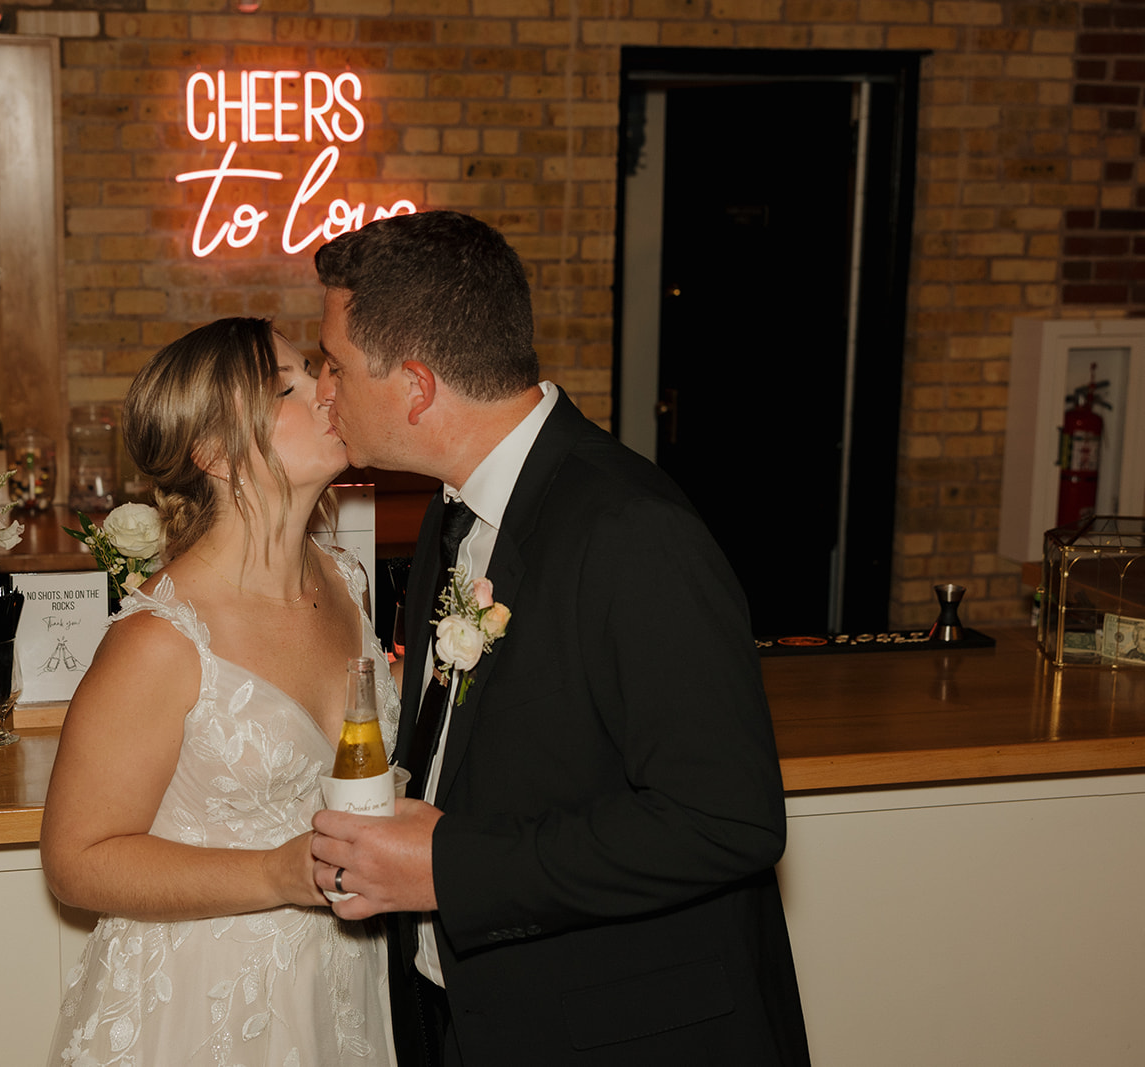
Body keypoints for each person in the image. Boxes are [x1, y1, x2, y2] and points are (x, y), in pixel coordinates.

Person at [307, 212, 810, 1066]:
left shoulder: (632, 530)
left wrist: (451, 870)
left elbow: (726, 820)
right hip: (477, 1014)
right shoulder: (448, 513)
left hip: (626, 1031)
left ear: (418, 387)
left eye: (337, 366)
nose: (323, 390)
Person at [41, 318, 398, 1067]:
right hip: (203, 1002)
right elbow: (76, 860)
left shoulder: (345, 582)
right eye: (287, 387)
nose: (325, 391)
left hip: (340, 987)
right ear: (214, 452)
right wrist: (274, 872)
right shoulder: (161, 639)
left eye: (316, 371)